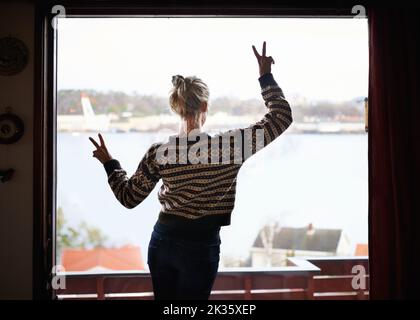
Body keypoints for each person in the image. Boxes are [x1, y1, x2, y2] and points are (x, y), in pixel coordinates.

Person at [89, 41, 293, 300]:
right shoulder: (231, 146)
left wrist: (110, 163)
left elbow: (128, 198)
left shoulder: (159, 152)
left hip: (162, 241)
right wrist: (265, 76)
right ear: (205, 107)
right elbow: (281, 117)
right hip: (201, 246)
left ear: (176, 108)